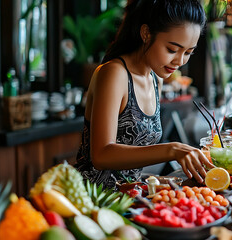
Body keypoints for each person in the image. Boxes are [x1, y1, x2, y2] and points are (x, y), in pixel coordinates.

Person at [75, 0, 214, 190]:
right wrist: (172, 149)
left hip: (131, 198)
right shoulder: (114, 73)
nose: (180, 60)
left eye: (188, 52)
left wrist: (167, 182)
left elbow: (128, 173)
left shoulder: (155, 78)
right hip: (96, 201)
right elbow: (101, 156)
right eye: (172, 49)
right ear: (146, 33)